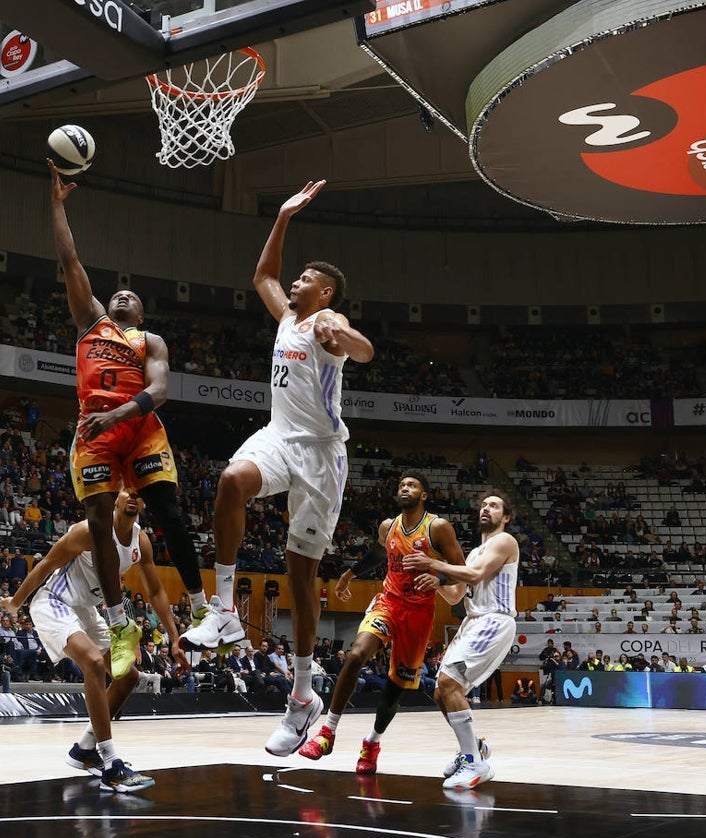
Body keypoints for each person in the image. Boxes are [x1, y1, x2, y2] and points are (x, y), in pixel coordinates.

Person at [181, 179, 374, 756]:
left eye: (306, 280)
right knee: (230, 482)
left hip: (321, 456)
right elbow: (262, 276)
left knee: (299, 574)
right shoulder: (289, 319)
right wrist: (283, 215)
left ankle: (301, 696)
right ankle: (222, 611)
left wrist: (343, 333)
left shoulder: (324, 325)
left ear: (327, 292)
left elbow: (363, 351)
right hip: (278, 437)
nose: (294, 282)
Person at [49, 162, 210, 681]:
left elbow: (158, 392)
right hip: (93, 434)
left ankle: (206, 607)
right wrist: (57, 204)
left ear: (140, 313)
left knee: (167, 510)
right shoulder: (88, 321)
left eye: (131, 297)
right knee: (98, 523)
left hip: (136, 427)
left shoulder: (151, 342)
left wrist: (115, 413)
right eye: (116, 293)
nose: (122, 296)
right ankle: (119, 626)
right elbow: (70, 257)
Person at [0, 487, 185, 793]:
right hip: (55, 602)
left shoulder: (141, 542)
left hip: (86, 610)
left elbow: (155, 593)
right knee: (95, 664)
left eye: (139, 493)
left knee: (128, 677)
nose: (133, 497)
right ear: (115, 497)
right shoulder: (87, 531)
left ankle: (85, 749)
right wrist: (16, 602)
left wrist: (174, 637)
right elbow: (46, 564)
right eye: (128, 491)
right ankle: (111, 764)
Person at [299, 473, 465, 769]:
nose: (405, 488)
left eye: (412, 485)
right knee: (355, 655)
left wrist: (438, 576)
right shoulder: (389, 526)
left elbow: (461, 570)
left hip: (419, 614)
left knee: (394, 689)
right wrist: (351, 574)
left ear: (424, 495)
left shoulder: (437, 527)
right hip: (389, 603)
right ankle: (327, 732)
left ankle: (372, 743)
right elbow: (380, 550)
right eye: (401, 484)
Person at [402, 491, 519, 789]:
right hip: (473, 622)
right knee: (442, 692)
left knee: (449, 684)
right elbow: (456, 593)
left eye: (493, 506)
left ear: (505, 517)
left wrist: (435, 564)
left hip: (494, 619)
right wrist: (431, 576)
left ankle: (475, 763)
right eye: (483, 504)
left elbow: (477, 575)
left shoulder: (505, 542)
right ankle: (474, 749)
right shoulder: (473, 553)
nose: (485, 509)